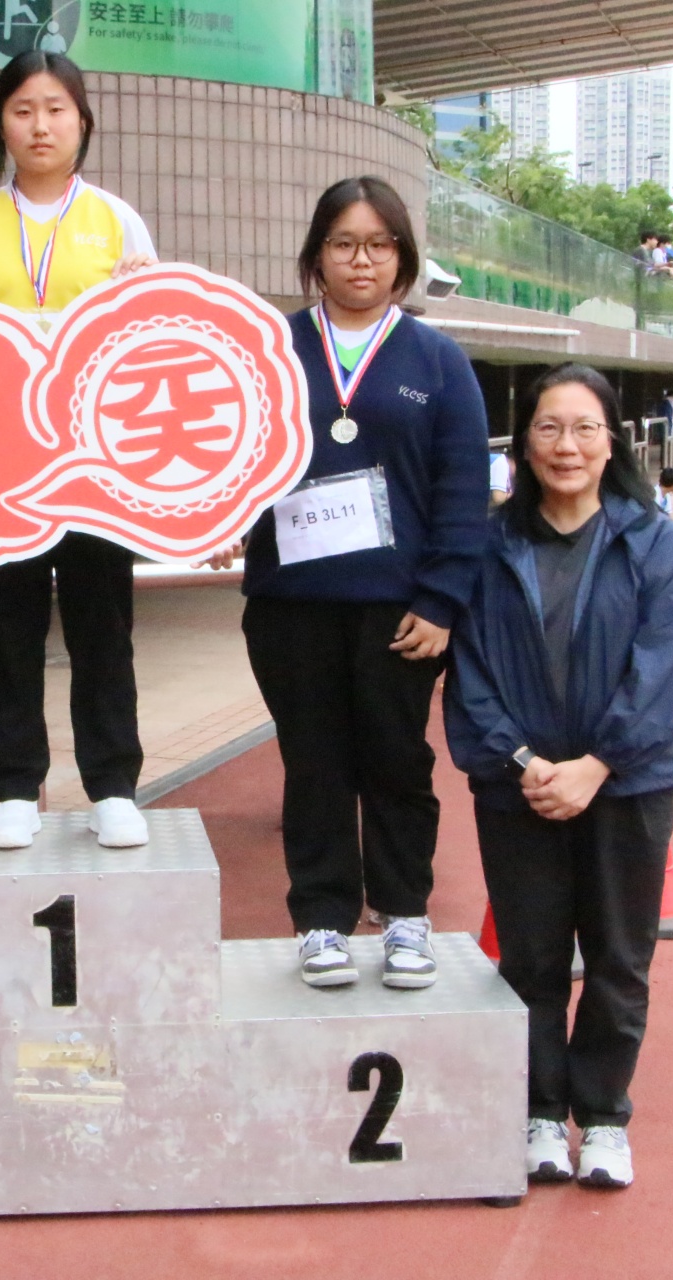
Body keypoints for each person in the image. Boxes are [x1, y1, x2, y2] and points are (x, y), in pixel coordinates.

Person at [224, 176, 490, 990]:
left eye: (379, 244)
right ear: (317, 254)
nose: (361, 260)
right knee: (314, 765)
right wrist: (215, 519)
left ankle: (405, 913)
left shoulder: (437, 360)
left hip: (398, 611)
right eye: (343, 243)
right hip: (291, 606)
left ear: (403, 257)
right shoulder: (271, 349)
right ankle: (322, 919)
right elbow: (230, 451)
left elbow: (462, 490)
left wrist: (441, 601)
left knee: (397, 762)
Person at [444, 362, 673, 1190]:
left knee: (620, 962)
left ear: (611, 442)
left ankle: (604, 1118)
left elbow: (666, 667)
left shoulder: (653, 541)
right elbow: (470, 672)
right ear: (523, 443)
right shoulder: (489, 545)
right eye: (549, 427)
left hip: (626, 786)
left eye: (585, 428)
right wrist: (525, 764)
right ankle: (539, 1112)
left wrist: (596, 765)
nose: (567, 446)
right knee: (531, 959)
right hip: (518, 789)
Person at [0, 51, 158, 851]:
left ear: (83, 121)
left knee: (102, 626)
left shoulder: (117, 220)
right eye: (22, 110)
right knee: (7, 627)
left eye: (56, 109)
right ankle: (15, 785)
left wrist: (145, 289)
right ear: (0, 124)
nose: (40, 125)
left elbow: (152, 344)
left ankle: (113, 785)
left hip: (94, 460)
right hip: (2, 462)